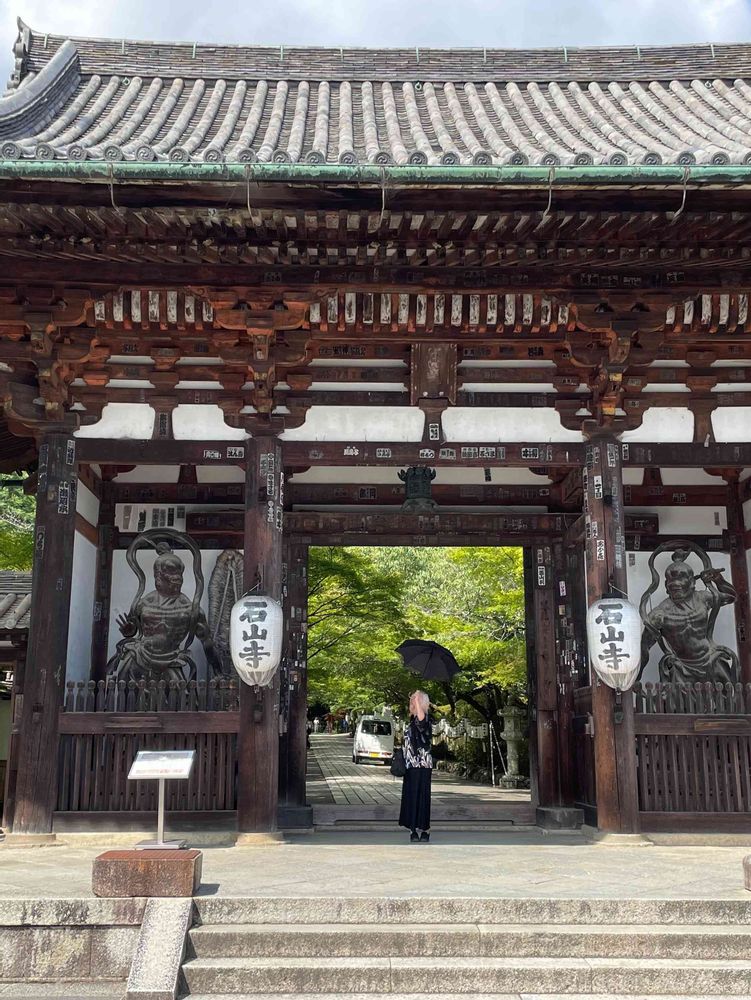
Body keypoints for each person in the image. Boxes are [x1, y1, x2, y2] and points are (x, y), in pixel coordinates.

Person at [399, 690, 433, 843]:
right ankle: (413, 828)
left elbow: (421, 720)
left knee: (422, 797)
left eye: (415, 701)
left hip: (423, 765)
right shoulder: (411, 721)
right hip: (410, 765)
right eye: (412, 701)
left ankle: (425, 829)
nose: (412, 703)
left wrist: (418, 699)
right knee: (411, 797)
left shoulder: (426, 719)